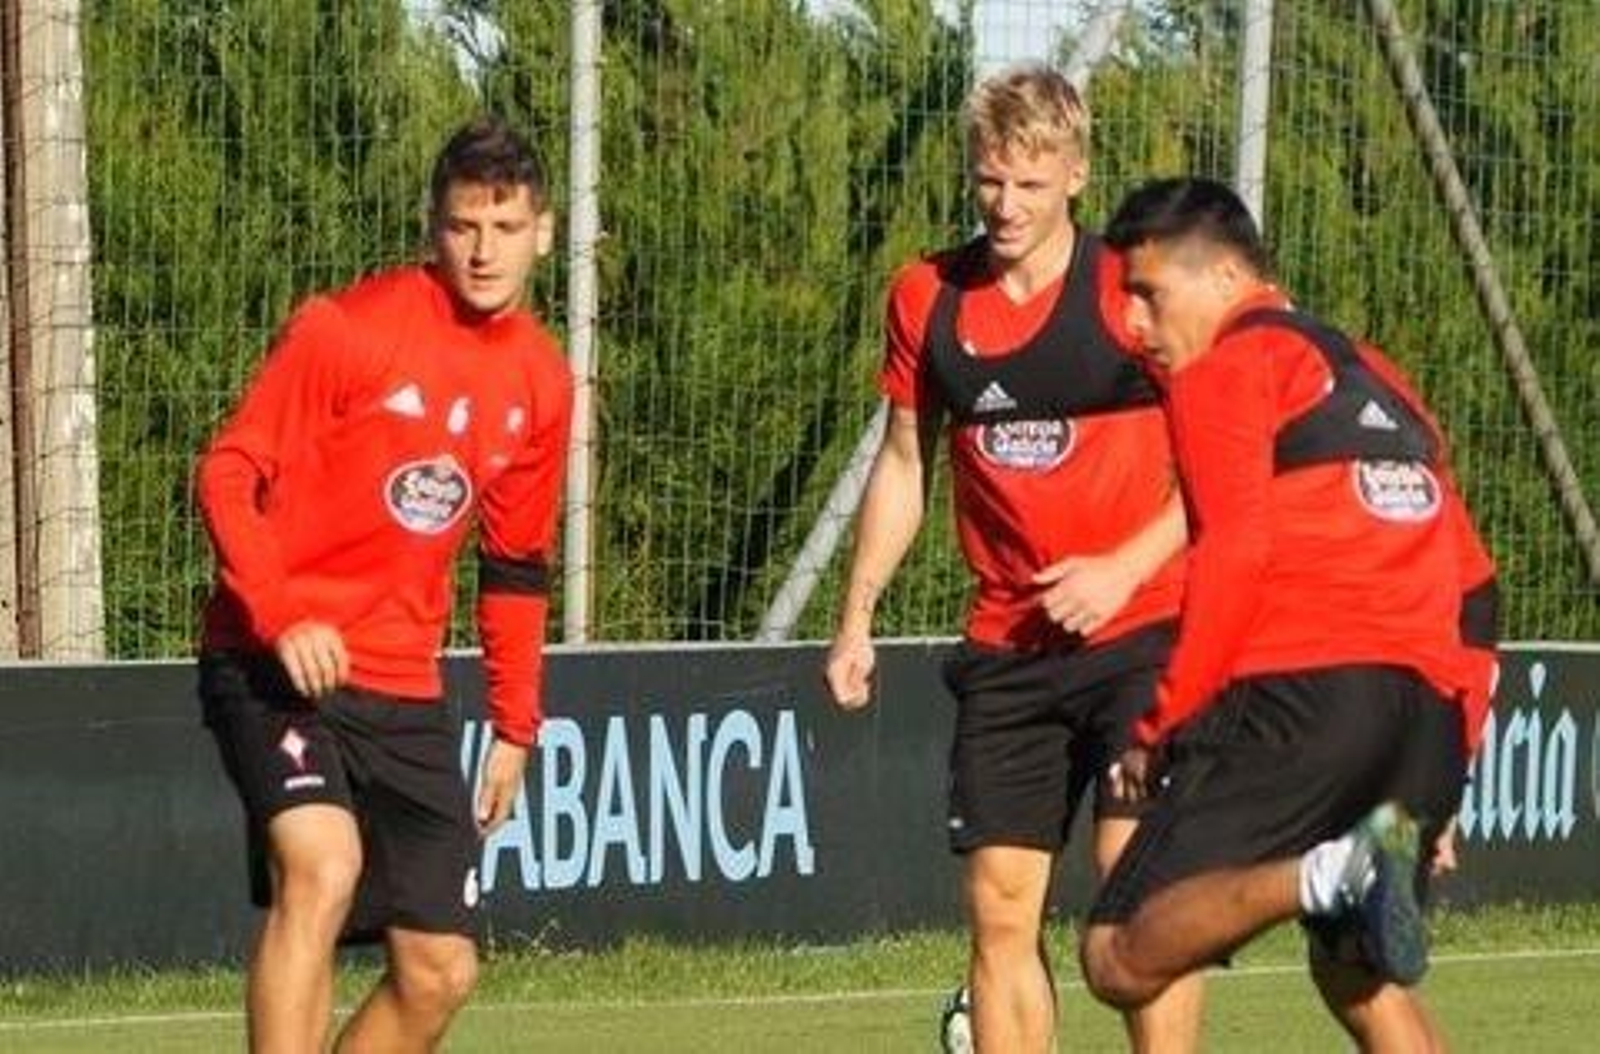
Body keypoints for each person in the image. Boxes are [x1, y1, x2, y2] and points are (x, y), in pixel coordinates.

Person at [824, 64, 1204, 1053]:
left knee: (1135, 906)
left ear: (1075, 176)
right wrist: (856, 612)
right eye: (989, 181)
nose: (1005, 205)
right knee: (998, 913)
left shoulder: (1135, 289)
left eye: (1029, 185)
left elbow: (1224, 459)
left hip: (1147, 631)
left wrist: (1123, 565)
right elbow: (905, 462)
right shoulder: (927, 298)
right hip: (1008, 647)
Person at [1078, 176, 1499, 1052]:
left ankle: (1331, 871)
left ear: (1226, 278)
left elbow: (1232, 553)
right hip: (1423, 716)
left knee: (1118, 953)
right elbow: (1476, 590)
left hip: (1304, 695)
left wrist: (1163, 722)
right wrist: (1453, 760)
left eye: (1149, 294)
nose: (1134, 325)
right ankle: (1346, 872)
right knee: (1356, 976)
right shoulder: (1381, 374)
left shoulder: (1230, 366)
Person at [195, 116, 573, 1054]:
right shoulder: (346, 331)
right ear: (431, 226)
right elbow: (226, 472)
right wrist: (281, 615)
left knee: (440, 970)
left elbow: (517, 567)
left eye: (505, 227)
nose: (483, 251)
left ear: (545, 231)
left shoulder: (542, 381)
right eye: (462, 227)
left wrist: (517, 724)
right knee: (323, 868)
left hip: (401, 688)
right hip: (270, 661)